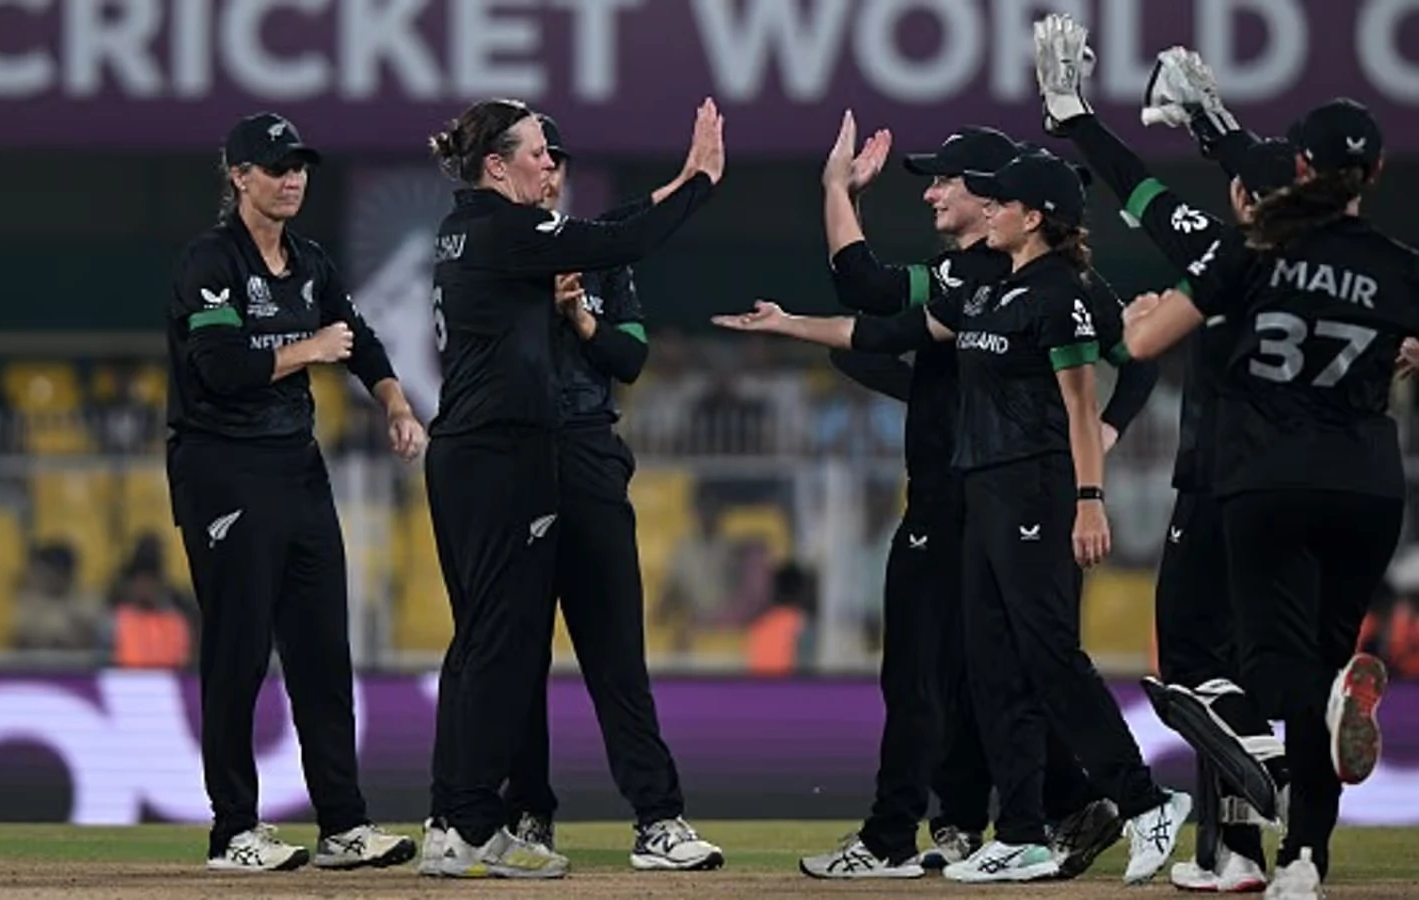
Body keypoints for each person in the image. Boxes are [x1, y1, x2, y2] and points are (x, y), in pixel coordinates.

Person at [714, 149, 1191, 886]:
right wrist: (787, 324)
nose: (979, 207)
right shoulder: (982, 290)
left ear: (1031, 216)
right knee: (995, 669)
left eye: (995, 200)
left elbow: (1088, 394)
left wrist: (1091, 491)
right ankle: (1022, 832)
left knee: (1042, 659)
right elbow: (878, 335)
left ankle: (1143, 800)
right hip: (981, 488)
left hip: (1032, 490)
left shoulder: (1060, 292)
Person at [1117, 95, 1419, 898]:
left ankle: (1317, 730)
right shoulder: (1397, 264)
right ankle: (1302, 862)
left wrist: (1138, 319)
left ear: (1299, 166)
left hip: (1270, 479)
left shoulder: (1255, 247)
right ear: (1376, 172)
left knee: (1273, 666)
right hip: (1369, 487)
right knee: (1327, 658)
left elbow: (1147, 342)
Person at [418, 97, 724, 879]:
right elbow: (621, 236)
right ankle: (472, 821)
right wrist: (700, 185)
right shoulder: (509, 231)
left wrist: (679, 181)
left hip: (499, 449)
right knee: (500, 643)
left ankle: (456, 821)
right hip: (501, 452)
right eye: (537, 154)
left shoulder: (474, 226)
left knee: (495, 641)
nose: (550, 166)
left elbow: (614, 244)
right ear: (497, 166)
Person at [1033, 19, 1296, 891]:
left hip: (1220, 481)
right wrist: (1217, 129)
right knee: (1240, 676)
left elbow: (1137, 187)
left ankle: (1275, 772)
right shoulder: (1343, 264)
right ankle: (1238, 855)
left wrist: (1074, 117)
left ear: (1243, 201)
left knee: (1192, 671)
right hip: (1308, 486)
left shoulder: (1224, 253)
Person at [166, 112, 423, 871]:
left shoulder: (310, 261)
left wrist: (396, 404)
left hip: (297, 469)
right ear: (239, 176)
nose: (293, 179)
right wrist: (308, 347)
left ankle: (343, 826)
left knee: (321, 656)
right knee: (238, 653)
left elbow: (361, 340)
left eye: (300, 167)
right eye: (277, 168)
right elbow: (219, 368)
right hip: (223, 468)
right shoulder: (210, 261)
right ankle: (233, 831)